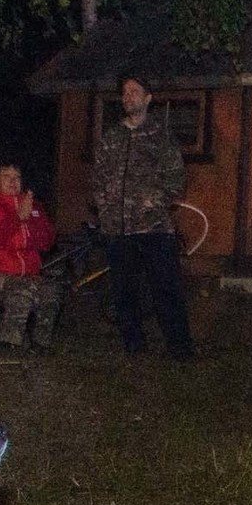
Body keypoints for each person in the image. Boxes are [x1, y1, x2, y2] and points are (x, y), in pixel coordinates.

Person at [91, 76, 193, 360]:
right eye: (125, 92)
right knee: (124, 292)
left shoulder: (161, 136)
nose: (128, 97)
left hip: (153, 228)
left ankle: (179, 348)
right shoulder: (111, 137)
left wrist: (155, 200)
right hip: (118, 229)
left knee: (166, 289)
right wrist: (105, 207)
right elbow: (98, 177)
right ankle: (134, 345)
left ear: (148, 98)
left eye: (135, 92)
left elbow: (177, 177)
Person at [0, 163, 60, 352]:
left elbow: (47, 243)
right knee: (21, 288)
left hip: (27, 276)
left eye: (17, 177)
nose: (12, 182)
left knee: (51, 290)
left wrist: (31, 220)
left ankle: (40, 344)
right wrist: (17, 218)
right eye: (6, 176)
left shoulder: (32, 205)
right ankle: (8, 343)